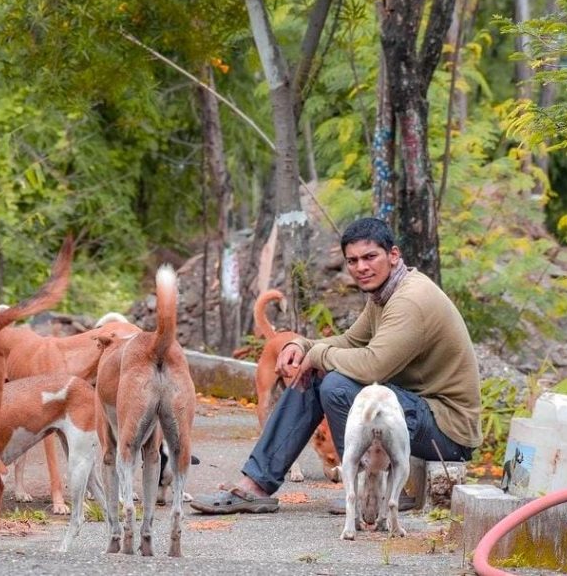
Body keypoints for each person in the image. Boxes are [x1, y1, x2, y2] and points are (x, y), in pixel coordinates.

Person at [190, 217, 481, 515]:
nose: (361, 267)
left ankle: (374, 490)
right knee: (315, 375)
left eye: (370, 257)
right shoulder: (384, 294)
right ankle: (255, 486)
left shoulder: (411, 300)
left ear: (393, 255)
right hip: (414, 413)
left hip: (446, 431)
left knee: (337, 384)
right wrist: (302, 346)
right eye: (352, 260)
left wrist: (316, 356)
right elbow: (351, 341)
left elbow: (372, 366)